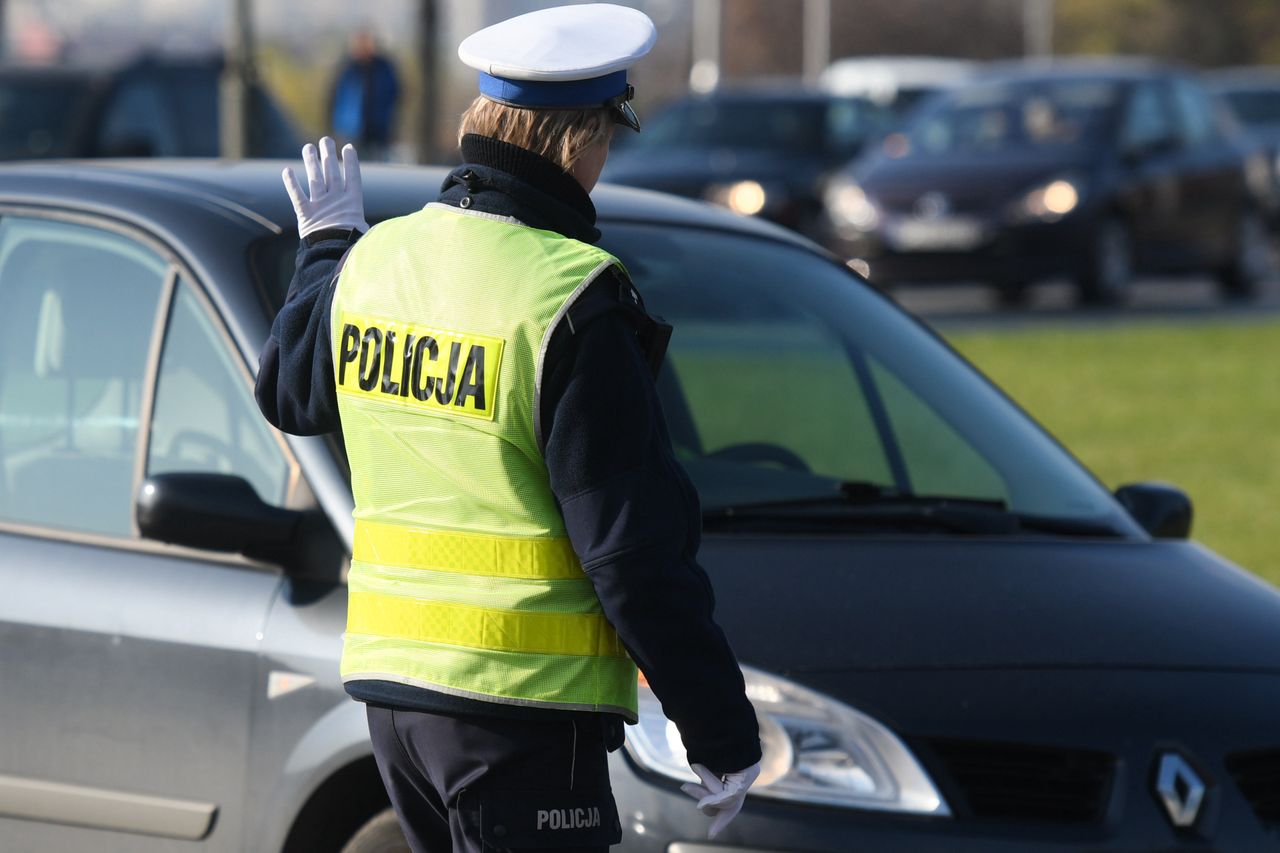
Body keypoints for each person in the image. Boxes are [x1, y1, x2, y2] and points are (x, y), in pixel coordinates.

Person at [256, 5, 761, 851]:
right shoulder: (571, 297)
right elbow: (631, 553)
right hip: (519, 709)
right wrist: (718, 728)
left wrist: (326, 247)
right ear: (578, 142)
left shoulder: (378, 259)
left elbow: (290, 391)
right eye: (607, 139)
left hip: (395, 702)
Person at [329, 28, 400, 161]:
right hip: (351, 132)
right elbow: (335, 100)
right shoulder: (348, 69)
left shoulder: (384, 68)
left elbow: (394, 95)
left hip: (379, 132)